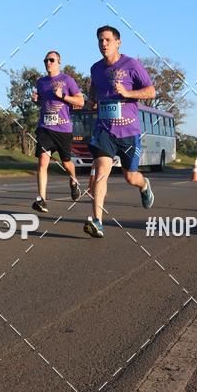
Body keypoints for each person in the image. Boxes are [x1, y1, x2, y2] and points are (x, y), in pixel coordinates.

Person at [83, 26, 156, 238]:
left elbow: (151, 91)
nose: (103, 44)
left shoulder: (131, 64)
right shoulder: (95, 69)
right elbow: (93, 94)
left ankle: (144, 186)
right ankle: (97, 221)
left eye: (107, 40)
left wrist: (128, 92)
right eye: (100, 40)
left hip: (129, 131)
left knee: (130, 177)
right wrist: (88, 104)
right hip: (104, 130)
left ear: (118, 42)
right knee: (101, 172)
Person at [31, 51, 84, 213]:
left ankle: (74, 181)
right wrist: (36, 100)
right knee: (42, 163)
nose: (48, 62)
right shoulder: (41, 82)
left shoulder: (67, 80)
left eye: (51, 60)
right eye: (46, 60)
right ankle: (42, 200)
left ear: (59, 62)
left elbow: (80, 101)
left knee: (67, 163)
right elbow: (43, 101)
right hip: (45, 128)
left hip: (63, 130)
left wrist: (63, 97)